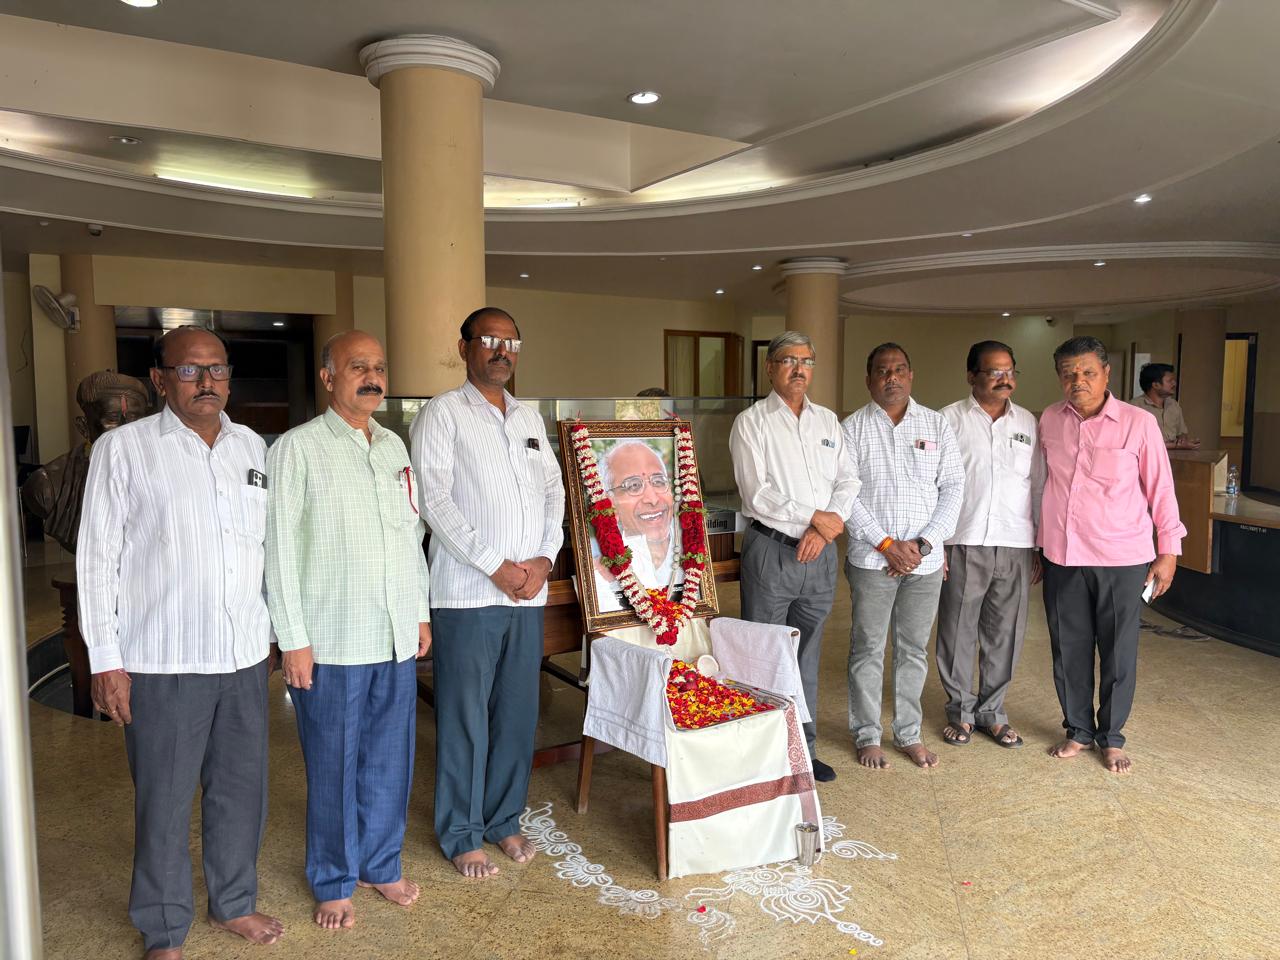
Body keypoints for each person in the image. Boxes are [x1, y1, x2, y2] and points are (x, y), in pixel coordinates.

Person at [78, 327, 282, 960]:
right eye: (191, 371)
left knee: (241, 791)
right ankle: (164, 926)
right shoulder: (124, 450)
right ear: (160, 379)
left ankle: (234, 902)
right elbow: (97, 559)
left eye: (217, 369)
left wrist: (276, 634)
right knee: (164, 802)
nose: (207, 382)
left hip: (242, 655)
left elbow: (268, 551)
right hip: (163, 658)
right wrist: (105, 659)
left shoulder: (252, 447)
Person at [265, 330, 431, 929]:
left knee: (391, 759)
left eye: (379, 367)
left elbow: (411, 537)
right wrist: (293, 639)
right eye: (358, 366)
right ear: (328, 377)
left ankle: (380, 864)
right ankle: (334, 878)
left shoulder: (393, 446)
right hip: (331, 638)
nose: (372, 377)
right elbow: (278, 550)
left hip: (393, 633)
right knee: (334, 764)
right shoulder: (298, 448)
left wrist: (418, 612)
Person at [410, 307, 565, 879]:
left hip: (527, 593)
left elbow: (555, 491)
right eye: (490, 340)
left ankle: (504, 820)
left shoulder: (528, 416)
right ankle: (460, 832)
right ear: (465, 348)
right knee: (464, 716)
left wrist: (544, 559)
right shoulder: (442, 414)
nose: (502, 352)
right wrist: (495, 566)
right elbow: (434, 500)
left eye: (511, 343)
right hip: (468, 594)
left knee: (518, 714)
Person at [1039, 336, 1186, 774]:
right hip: (1063, 554)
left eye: (1087, 372)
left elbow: (1161, 489)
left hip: (1122, 556)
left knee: (1119, 650)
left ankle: (1112, 737)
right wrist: (1036, 545)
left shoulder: (1139, 423)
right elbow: (1040, 484)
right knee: (1068, 647)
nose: (1078, 381)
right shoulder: (1049, 419)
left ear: (1106, 373)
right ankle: (1078, 730)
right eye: (1069, 373)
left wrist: (1168, 550)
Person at [730, 330, 860, 783]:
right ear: (770, 368)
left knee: (806, 656)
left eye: (807, 361)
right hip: (772, 552)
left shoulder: (828, 422)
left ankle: (803, 750)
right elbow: (756, 492)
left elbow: (849, 481)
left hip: (819, 557)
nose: (799, 369)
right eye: (789, 360)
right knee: (764, 656)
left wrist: (824, 529)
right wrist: (814, 518)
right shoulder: (752, 422)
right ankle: (763, 758)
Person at [842, 343, 964, 770]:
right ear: (868, 379)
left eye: (898, 369)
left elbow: (953, 488)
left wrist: (923, 545)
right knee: (868, 648)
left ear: (911, 375)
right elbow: (845, 494)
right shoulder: (851, 428)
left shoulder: (936, 424)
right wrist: (886, 545)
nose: (890, 377)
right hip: (871, 559)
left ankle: (909, 734)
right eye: (881, 370)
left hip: (925, 563)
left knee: (913, 650)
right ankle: (867, 735)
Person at [936, 341, 1041, 750]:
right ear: (971, 376)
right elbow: (935, 485)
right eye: (994, 371)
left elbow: (1038, 485)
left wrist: (1038, 546)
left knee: (1005, 633)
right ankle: (961, 711)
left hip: (1015, 542)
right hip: (963, 540)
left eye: (1009, 371)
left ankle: (992, 713)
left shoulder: (1028, 422)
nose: (1004, 379)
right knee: (957, 630)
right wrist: (938, 543)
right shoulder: (948, 420)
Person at [22, 369, 149, 552]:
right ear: (83, 427)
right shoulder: (47, 485)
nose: (126, 430)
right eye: (112, 419)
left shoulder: (163, 471)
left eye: (135, 420)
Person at [591, 440, 678, 611]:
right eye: (633, 486)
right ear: (610, 503)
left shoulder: (690, 553)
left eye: (658, 481)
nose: (653, 499)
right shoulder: (600, 575)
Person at [1131, 362, 1199, 449]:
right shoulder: (1135, 407)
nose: (1174, 384)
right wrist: (1175, 445)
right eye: (1170, 381)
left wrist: (1183, 440)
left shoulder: (1173, 405)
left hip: (1175, 457)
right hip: (1148, 456)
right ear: (1156, 385)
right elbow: (1136, 442)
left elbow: (1182, 433)